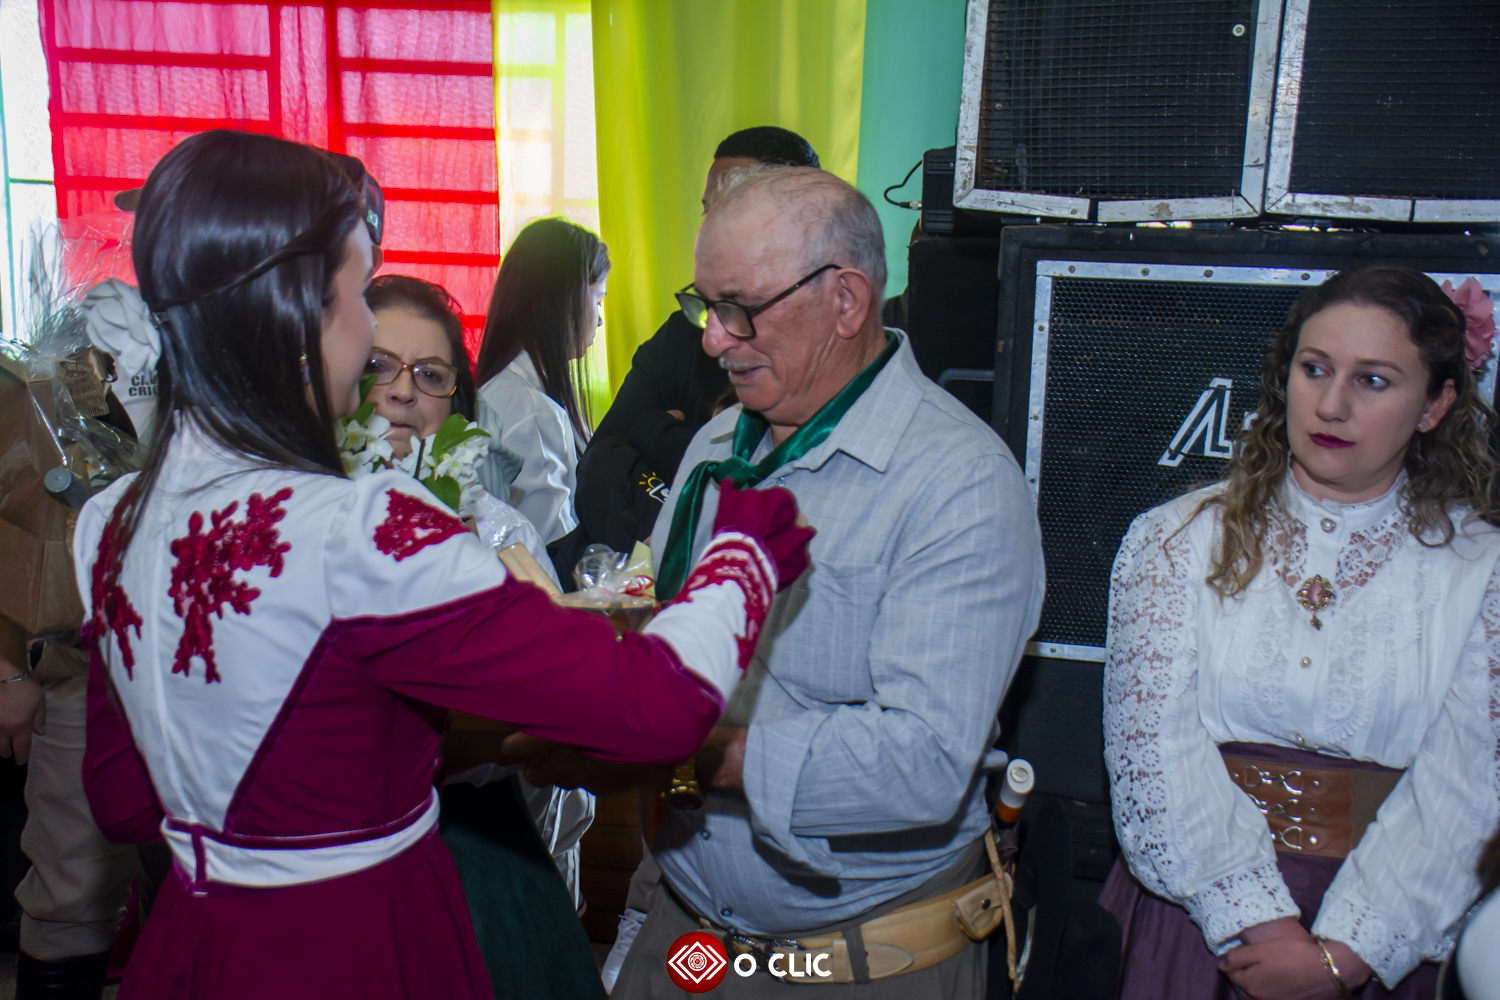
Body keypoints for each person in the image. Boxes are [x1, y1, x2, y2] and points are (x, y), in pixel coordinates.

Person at [72, 129, 813, 999]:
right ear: (301, 313)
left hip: (193, 947)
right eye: (358, 293)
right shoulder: (362, 529)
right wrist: (743, 555)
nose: (364, 328)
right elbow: (654, 710)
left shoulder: (113, 522)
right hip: (358, 949)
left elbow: (124, 799)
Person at [601, 165, 1045, 998]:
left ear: (846, 301)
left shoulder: (960, 483)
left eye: (740, 308)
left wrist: (694, 751)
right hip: (685, 925)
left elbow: (922, 763)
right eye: (705, 305)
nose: (713, 340)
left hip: (859, 962)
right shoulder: (716, 447)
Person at [1100, 264, 1500, 999]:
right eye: (1315, 369)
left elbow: (1469, 787)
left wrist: (1348, 953)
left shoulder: (1481, 567)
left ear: (1435, 404)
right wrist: (1258, 922)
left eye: (1373, 381)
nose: (1332, 404)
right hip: (1197, 919)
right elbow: (1154, 754)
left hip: (1388, 924)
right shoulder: (1176, 539)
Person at [359, 273, 598, 997]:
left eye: (430, 375)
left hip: (475, 848)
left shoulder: (499, 533)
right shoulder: (288, 514)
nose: (403, 391)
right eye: (377, 365)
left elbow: (552, 723)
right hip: (327, 852)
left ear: (454, 401)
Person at [578, 129, 822, 558]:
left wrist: (655, 430)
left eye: (732, 210)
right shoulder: (685, 333)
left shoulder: (823, 348)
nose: (710, 228)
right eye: (709, 210)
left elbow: (767, 489)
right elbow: (600, 465)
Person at [472, 218, 608, 547]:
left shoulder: (502, 390)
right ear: (566, 300)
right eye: (598, 300)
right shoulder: (533, 412)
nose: (600, 318)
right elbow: (552, 549)